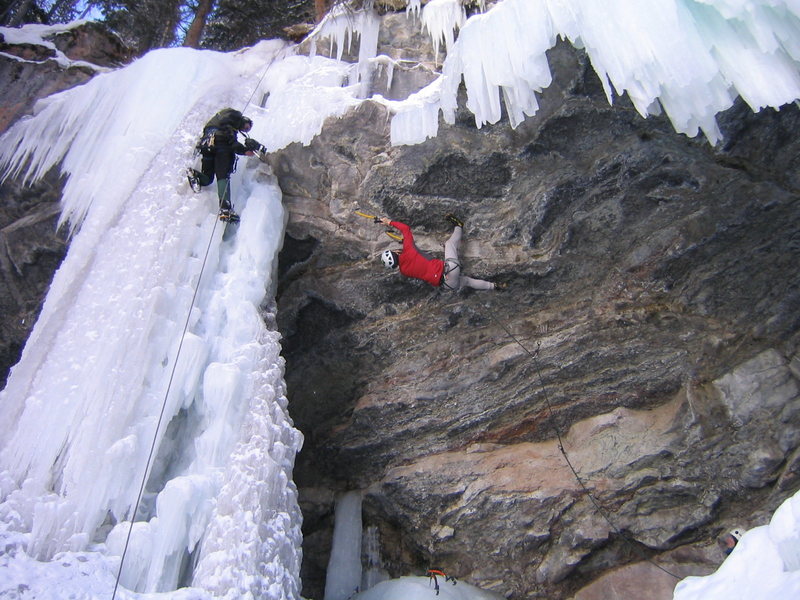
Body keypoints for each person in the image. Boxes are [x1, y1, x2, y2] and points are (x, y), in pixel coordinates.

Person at [379, 214, 504, 291]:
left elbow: (418, 259)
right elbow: (406, 229)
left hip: (447, 284)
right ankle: (459, 226)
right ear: (395, 252)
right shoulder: (408, 250)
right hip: (449, 269)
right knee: (449, 244)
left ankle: (494, 286)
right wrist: (388, 222)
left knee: (467, 281)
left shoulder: (404, 271)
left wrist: (404, 243)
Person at [187, 108, 264, 222]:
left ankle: (194, 175)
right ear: (244, 120)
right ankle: (225, 208)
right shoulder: (234, 117)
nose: (245, 129)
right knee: (223, 174)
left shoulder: (226, 126)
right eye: (246, 127)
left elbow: (232, 142)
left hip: (207, 144)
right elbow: (230, 141)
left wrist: (244, 150)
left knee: (208, 178)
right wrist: (243, 150)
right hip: (219, 143)